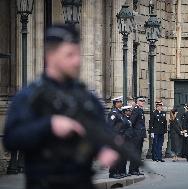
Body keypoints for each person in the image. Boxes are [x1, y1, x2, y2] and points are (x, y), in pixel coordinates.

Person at [3, 25, 118, 189]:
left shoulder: (87, 99)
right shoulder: (29, 96)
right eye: (69, 55)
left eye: (78, 54)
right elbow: (11, 139)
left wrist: (105, 148)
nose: (77, 61)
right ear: (50, 56)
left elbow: (102, 133)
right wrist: (49, 125)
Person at [107, 96, 125, 179]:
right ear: (116, 103)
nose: (121, 103)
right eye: (120, 102)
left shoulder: (119, 112)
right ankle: (112, 173)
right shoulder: (113, 113)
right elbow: (110, 126)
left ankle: (117, 172)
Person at [129, 96, 146, 175]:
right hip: (136, 135)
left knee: (138, 152)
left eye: (143, 101)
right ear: (137, 102)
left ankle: (136, 169)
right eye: (141, 100)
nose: (143, 102)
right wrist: (134, 134)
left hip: (140, 134)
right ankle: (132, 170)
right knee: (135, 152)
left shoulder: (140, 110)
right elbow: (132, 122)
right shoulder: (136, 110)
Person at [119, 105, 135, 177]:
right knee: (122, 157)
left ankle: (124, 171)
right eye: (128, 111)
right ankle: (121, 171)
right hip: (124, 140)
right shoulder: (123, 119)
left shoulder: (128, 118)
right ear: (125, 112)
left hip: (128, 139)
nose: (130, 112)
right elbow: (121, 130)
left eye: (130, 111)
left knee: (125, 157)